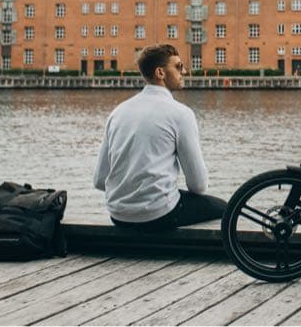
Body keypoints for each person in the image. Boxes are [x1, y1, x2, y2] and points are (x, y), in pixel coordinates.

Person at [94, 44, 225, 230]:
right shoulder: (180, 114)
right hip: (159, 215)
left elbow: (99, 180)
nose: (185, 71)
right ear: (160, 73)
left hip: (118, 215)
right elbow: (199, 185)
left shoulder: (118, 112)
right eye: (178, 67)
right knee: (227, 209)